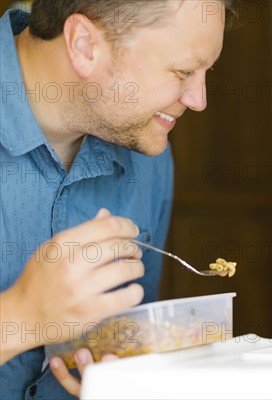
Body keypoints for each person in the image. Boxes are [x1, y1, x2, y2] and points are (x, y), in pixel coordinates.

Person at [0, 0, 237, 398]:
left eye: (205, 72)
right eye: (182, 71)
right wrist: (21, 319)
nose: (199, 100)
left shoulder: (148, 151)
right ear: (84, 45)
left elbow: (131, 351)